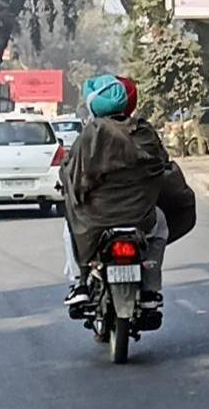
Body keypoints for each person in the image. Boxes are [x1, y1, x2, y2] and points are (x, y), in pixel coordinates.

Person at [61, 75, 182, 311]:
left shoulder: (90, 134)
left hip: (94, 219)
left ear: (94, 105)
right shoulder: (145, 132)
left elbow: (72, 174)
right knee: (162, 225)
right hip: (141, 216)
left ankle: (81, 283)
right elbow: (162, 167)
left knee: (69, 228)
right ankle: (150, 288)